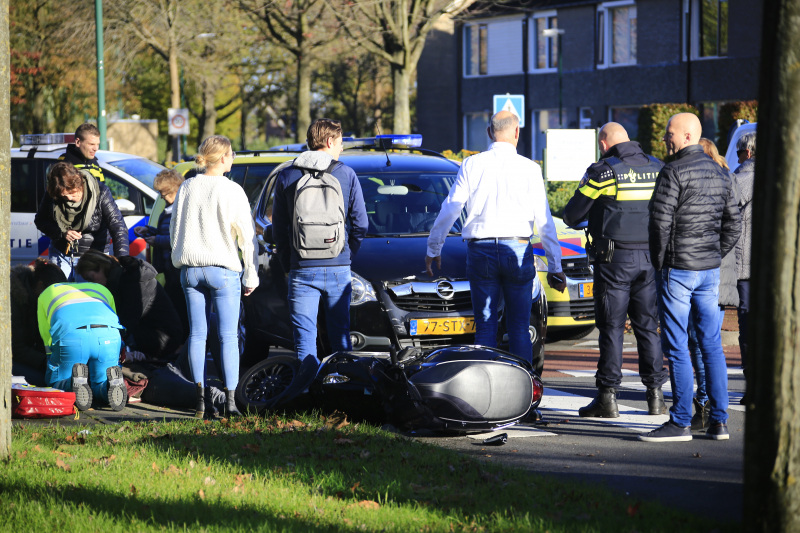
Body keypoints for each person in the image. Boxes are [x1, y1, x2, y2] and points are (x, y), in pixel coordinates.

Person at [425, 110, 565, 375]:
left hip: (481, 249)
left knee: (486, 326)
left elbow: (451, 207)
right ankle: (526, 394)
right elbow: (544, 221)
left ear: (489, 132)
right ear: (517, 133)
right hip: (518, 248)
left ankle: (486, 396)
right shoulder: (530, 169)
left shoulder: (471, 164)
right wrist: (556, 266)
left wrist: (434, 248)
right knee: (519, 328)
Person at [642, 113, 741, 442]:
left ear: (686, 136)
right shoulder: (721, 171)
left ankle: (681, 420)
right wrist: (715, 253)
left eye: (669, 134)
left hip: (678, 269)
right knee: (711, 345)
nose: (665, 139)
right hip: (708, 270)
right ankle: (719, 421)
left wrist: (660, 262)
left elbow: (659, 223)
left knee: (678, 347)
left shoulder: (672, 171)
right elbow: (733, 224)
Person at [562, 122, 668, 418]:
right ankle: (656, 396)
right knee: (648, 327)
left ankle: (607, 398)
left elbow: (572, 215)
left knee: (611, 328)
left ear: (604, 143)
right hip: (649, 259)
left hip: (614, 262)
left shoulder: (603, 171)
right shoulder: (657, 167)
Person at [170, 135, 259, 419]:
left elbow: (174, 228)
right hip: (222, 268)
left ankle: (200, 403)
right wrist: (251, 273)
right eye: (231, 155)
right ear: (223, 158)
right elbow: (246, 236)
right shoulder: (232, 190)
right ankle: (230, 403)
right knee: (227, 336)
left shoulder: (186, 187)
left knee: (197, 335)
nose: (233, 159)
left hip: (190, 269)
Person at [272, 119, 368, 363]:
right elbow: (361, 224)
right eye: (340, 143)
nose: (342, 149)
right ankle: (342, 387)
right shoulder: (346, 174)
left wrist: (288, 263)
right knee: (341, 336)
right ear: (328, 142)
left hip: (302, 267)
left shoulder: (287, 175)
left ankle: (309, 389)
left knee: (305, 337)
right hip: (338, 267)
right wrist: (345, 255)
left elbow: (279, 229)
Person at [688, 138, 740, 429]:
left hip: (706, 270)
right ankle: (709, 408)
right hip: (721, 270)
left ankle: (704, 404)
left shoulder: (711, 182)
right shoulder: (727, 179)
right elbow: (733, 227)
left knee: (700, 340)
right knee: (708, 341)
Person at [76, 249, 184, 359]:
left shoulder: (134, 280)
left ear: (101, 268)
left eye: (91, 278)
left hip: (164, 338)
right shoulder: (120, 278)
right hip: (149, 330)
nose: (91, 283)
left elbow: (127, 320)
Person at [37, 281, 128, 411]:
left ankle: (72, 383)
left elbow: (45, 333)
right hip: (108, 335)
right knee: (100, 381)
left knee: (56, 381)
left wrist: (50, 356)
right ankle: (109, 385)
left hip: (71, 335)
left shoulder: (47, 292)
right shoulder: (101, 288)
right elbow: (114, 317)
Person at [34, 161, 129, 281]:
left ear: (79, 183)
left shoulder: (101, 192)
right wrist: (61, 233)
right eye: (64, 196)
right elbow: (40, 220)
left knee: (87, 296)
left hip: (92, 259)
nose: (68, 198)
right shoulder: (54, 192)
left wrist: (122, 262)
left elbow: (118, 227)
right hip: (60, 254)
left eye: (72, 193)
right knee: (62, 296)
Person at [135, 168, 189, 337]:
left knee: (179, 307)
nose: (162, 197)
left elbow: (178, 240)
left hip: (177, 266)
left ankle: (180, 342)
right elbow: (166, 233)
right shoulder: (168, 210)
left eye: (165, 193)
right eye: (160, 193)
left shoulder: (180, 210)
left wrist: (156, 240)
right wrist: (149, 231)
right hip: (169, 267)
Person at [10, 260, 67, 385]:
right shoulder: (12, 301)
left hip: (22, 356)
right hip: (9, 358)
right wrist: (46, 362)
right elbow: (15, 348)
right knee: (43, 380)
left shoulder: (36, 298)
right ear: (40, 286)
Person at [732, 132, 754, 382]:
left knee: (747, 321)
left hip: (746, 265)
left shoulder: (741, 179)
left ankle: (752, 380)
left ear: (747, 153)